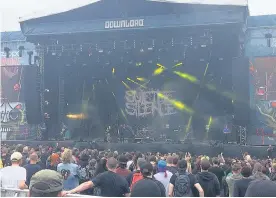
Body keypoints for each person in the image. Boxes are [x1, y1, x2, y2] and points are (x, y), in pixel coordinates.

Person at [64, 157, 130, 197]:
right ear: (117, 165)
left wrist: (71, 191)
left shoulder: (102, 176)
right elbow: (128, 195)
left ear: (107, 165)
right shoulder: (123, 180)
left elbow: (87, 184)